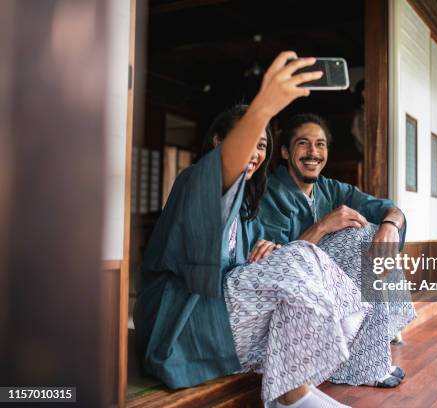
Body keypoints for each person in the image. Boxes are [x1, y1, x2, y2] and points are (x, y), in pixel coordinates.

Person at [134, 52, 371, 408]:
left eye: (262, 145)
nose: (256, 153)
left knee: (302, 255)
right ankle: (291, 396)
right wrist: (263, 106)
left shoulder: (247, 206)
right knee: (300, 258)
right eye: (249, 142)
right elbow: (224, 170)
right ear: (218, 143)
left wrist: (266, 256)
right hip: (182, 325)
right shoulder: (196, 180)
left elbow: (243, 269)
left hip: (225, 319)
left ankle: (293, 387)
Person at [258, 113, 417, 388]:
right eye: (303, 144)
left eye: (320, 145)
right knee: (361, 236)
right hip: (290, 295)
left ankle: (371, 352)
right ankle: (363, 365)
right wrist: (322, 226)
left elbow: (388, 208)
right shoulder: (269, 194)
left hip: (327, 286)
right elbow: (276, 262)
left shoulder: (329, 189)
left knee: (375, 233)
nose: (313, 153)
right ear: (285, 151)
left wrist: (391, 224)